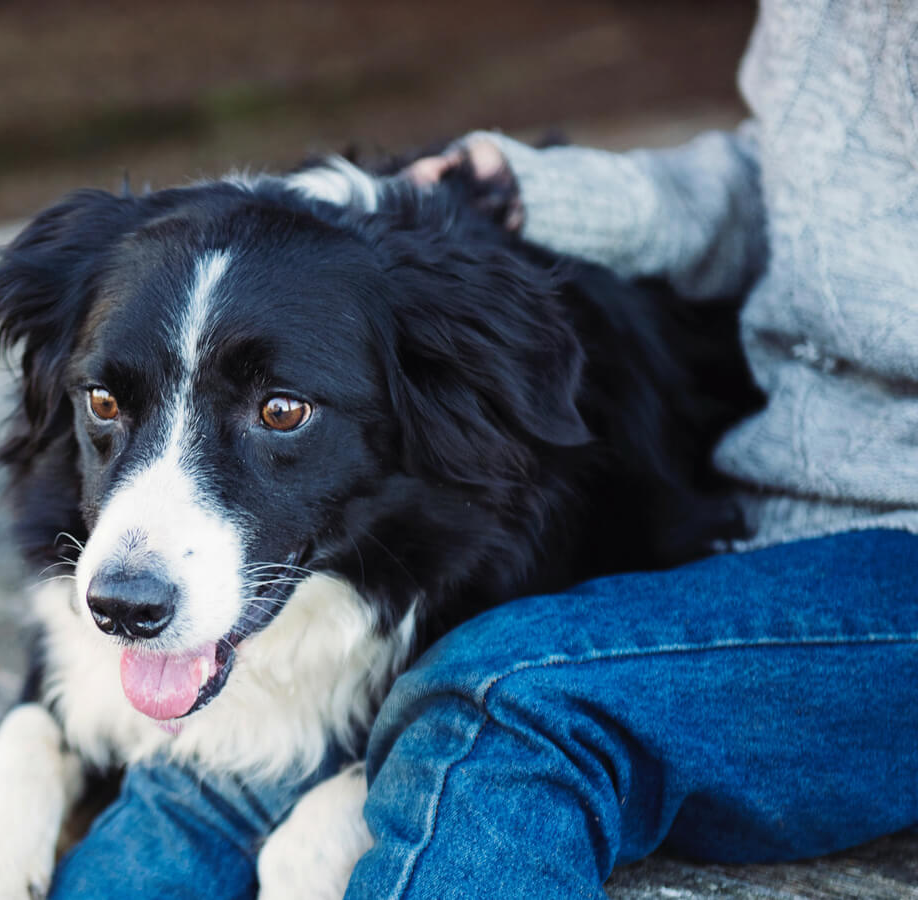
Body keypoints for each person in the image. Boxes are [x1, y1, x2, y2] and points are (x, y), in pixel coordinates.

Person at [49, 1, 918, 896]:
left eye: (275, 413)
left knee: (499, 704)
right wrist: (538, 194)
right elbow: (805, 184)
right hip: (775, 507)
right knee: (196, 789)